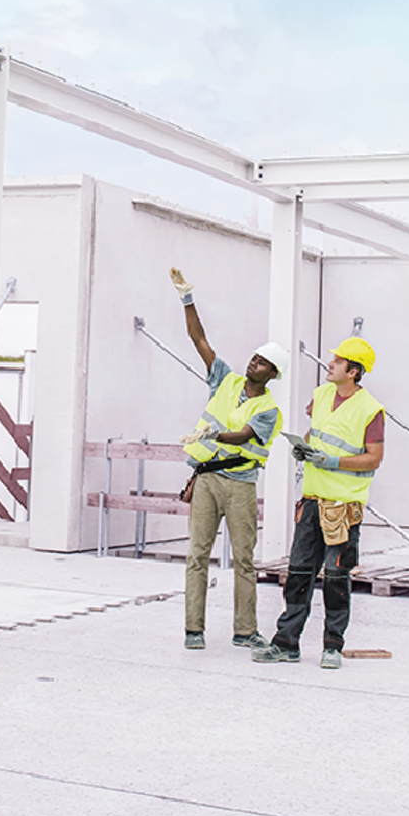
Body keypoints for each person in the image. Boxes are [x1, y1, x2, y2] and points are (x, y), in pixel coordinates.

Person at [170, 267, 287, 651]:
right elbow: (199, 339)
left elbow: (243, 437)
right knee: (197, 556)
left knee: (245, 560)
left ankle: (244, 630)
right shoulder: (226, 379)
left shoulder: (268, 409)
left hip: (239, 485)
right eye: (254, 357)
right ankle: (193, 630)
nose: (254, 363)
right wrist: (188, 298)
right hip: (205, 480)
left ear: (273, 374)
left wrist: (213, 434)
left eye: (262, 362)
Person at [253, 337, 384, 669]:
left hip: (343, 507)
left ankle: (332, 647)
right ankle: (286, 643)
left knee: (337, 578)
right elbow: (318, 431)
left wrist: (334, 462)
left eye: (338, 361)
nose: (331, 364)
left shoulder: (371, 409)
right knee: (298, 574)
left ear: (353, 371)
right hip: (312, 501)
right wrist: (306, 447)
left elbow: (374, 458)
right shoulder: (321, 394)